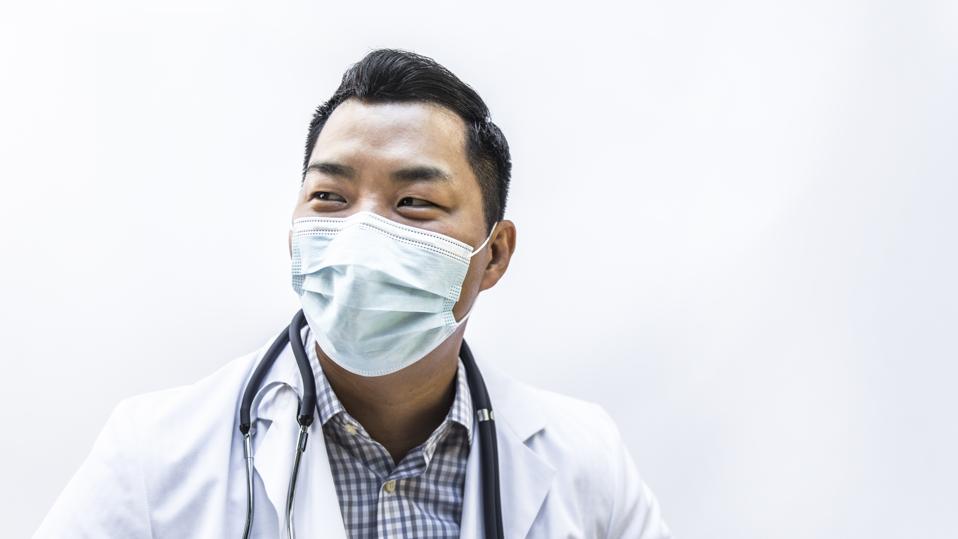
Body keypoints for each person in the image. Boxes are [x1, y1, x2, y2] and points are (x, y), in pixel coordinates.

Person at [34, 49, 671, 538]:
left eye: (414, 202)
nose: (361, 231)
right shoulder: (153, 457)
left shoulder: (586, 462)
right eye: (330, 197)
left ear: (494, 254)